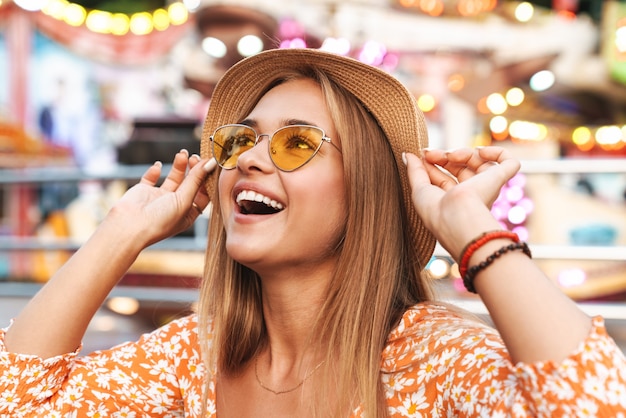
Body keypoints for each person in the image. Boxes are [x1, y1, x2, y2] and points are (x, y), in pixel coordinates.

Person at [1, 48, 625, 417]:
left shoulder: (427, 360)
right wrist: (120, 234)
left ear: (368, 195)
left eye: (297, 142)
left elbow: (596, 401)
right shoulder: (193, 356)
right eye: (241, 139)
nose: (247, 158)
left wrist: (471, 230)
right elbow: (17, 400)